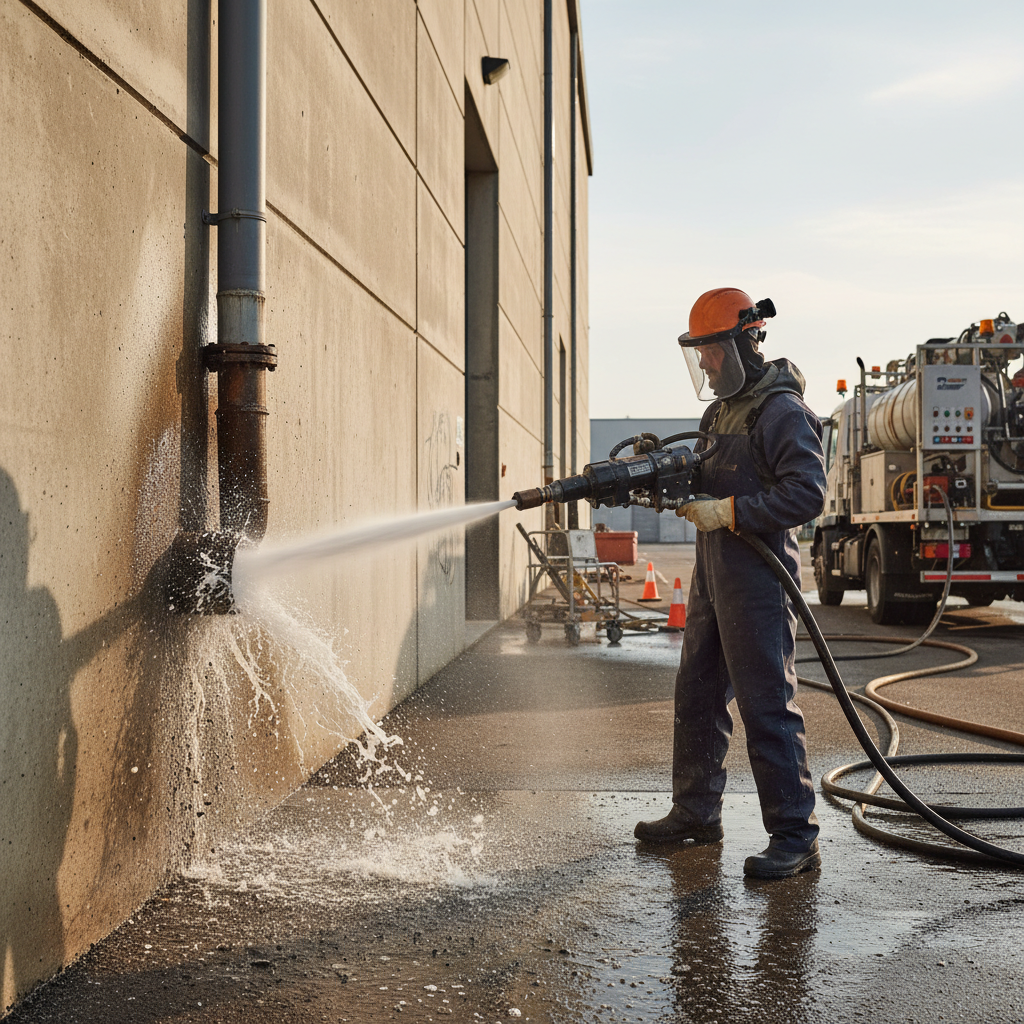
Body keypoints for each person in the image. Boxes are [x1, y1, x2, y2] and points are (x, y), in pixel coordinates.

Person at [634, 287, 827, 880]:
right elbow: (705, 472)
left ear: (745, 341)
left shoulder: (782, 411)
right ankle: (695, 813)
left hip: (760, 581)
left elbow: (808, 492)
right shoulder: (717, 414)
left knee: (767, 705)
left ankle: (795, 835)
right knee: (696, 696)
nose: (708, 363)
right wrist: (662, 468)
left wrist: (733, 511)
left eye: (714, 351)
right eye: (701, 354)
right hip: (713, 577)